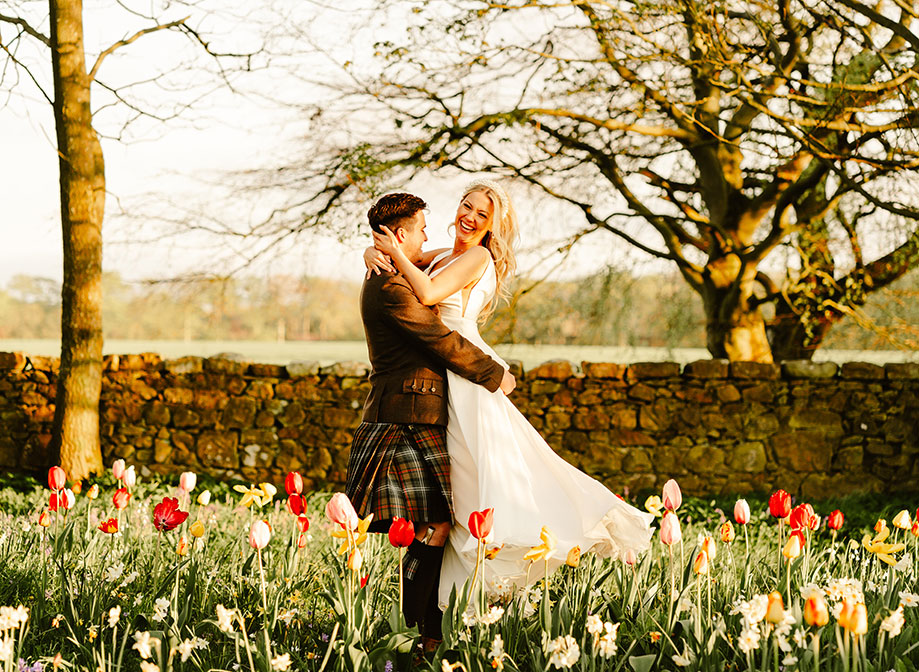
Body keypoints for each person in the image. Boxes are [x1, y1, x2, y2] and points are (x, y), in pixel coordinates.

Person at [365, 179, 654, 607]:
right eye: (467, 205)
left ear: (492, 225)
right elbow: (408, 254)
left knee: (487, 473)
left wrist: (389, 254)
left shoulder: (478, 256)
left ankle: (501, 559)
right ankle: (441, 604)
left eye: (482, 214)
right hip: (443, 372)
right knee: (458, 487)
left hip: (465, 368)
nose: (470, 217)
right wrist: (373, 251)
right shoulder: (444, 254)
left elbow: (424, 292)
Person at [344, 192, 516, 651]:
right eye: (420, 229)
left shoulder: (428, 263)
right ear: (401, 235)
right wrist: (495, 375)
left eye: (483, 213)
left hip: (428, 406)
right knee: (433, 526)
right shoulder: (395, 284)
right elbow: (438, 335)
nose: (430, 233)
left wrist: (384, 249)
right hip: (409, 413)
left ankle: (426, 629)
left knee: (441, 521)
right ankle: (423, 631)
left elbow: (426, 276)